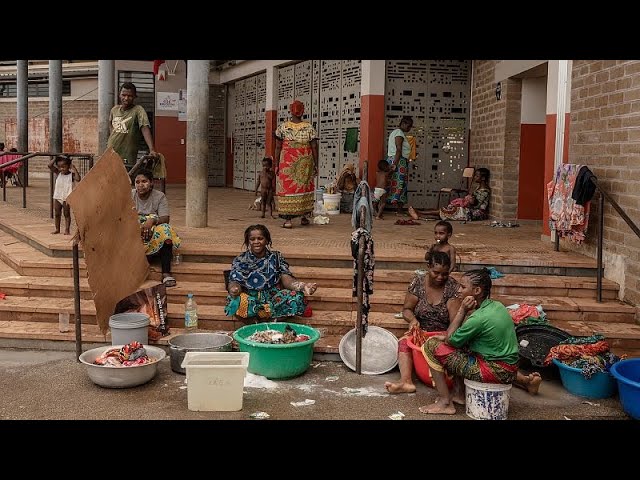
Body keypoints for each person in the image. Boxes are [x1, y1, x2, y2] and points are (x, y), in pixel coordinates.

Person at [420, 268, 538, 415]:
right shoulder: (498, 306)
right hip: (510, 369)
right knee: (462, 346)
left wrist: (462, 310)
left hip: (494, 371)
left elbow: (451, 340)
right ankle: (459, 395)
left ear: (476, 290)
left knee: (431, 346)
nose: (458, 290)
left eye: (463, 287)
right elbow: (463, 337)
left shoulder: (478, 318)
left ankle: (445, 403)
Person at [384, 251, 461, 394]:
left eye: (444, 274)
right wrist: (413, 320)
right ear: (428, 267)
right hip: (421, 332)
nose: (440, 277)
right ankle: (406, 382)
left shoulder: (453, 288)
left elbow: (455, 322)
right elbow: (407, 309)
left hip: (443, 334)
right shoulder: (418, 283)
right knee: (404, 343)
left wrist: (446, 338)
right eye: (436, 272)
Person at [225, 224, 318, 321]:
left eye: (260, 238)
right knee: (233, 300)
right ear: (248, 241)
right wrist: (234, 289)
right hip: (251, 298)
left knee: (296, 296)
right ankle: (254, 323)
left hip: (273, 298)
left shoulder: (276, 257)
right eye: (252, 239)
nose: (256, 242)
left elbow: (286, 278)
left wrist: (303, 286)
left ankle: (274, 320)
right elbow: (234, 280)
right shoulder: (240, 259)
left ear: (267, 240)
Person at [132, 169, 181, 287]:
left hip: (154, 229)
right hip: (135, 229)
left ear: (151, 183)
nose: (140, 185)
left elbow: (165, 218)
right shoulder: (130, 195)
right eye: (137, 182)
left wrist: (152, 221)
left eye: (144, 181)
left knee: (166, 230)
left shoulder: (159, 196)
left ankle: (166, 273)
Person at [274, 100, 318, 229]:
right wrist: (316, 164)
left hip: (287, 162)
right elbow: (314, 147)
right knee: (305, 188)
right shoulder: (309, 127)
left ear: (290, 111)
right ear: (303, 111)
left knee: (287, 189)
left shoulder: (283, 127)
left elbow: (277, 147)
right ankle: (304, 217)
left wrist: (276, 164)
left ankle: (288, 220)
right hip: (305, 162)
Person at [107, 82, 158, 168]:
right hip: (111, 152)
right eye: (123, 95)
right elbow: (110, 124)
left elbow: (144, 128)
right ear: (119, 95)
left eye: (130, 96)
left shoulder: (138, 110)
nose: (126, 98)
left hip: (127, 156)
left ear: (134, 97)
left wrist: (152, 149)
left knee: (126, 179)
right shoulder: (114, 110)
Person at [386, 116, 413, 216]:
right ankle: (399, 210)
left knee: (395, 184)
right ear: (404, 123)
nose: (409, 129)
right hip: (398, 161)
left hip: (396, 160)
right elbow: (398, 149)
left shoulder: (396, 132)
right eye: (409, 126)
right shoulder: (399, 133)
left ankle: (398, 208)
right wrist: (395, 164)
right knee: (400, 185)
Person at [48, 156, 81, 235]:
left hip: (66, 197)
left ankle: (67, 229)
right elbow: (49, 165)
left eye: (63, 167)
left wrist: (74, 168)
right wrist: (56, 158)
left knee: (66, 213)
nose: (61, 169)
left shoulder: (71, 175)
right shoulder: (58, 173)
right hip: (58, 195)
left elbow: (78, 179)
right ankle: (57, 229)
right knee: (57, 213)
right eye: (59, 167)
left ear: (68, 166)